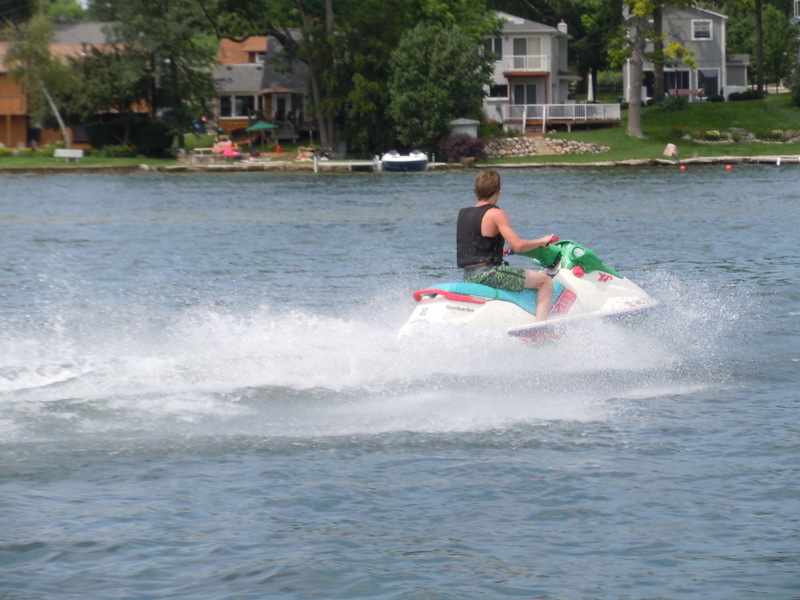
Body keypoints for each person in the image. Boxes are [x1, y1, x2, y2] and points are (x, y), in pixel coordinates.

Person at [457, 170, 555, 322]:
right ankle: (540, 327)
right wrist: (542, 241)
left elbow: (476, 244)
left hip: (469, 276)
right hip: (488, 274)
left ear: (476, 191)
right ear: (498, 191)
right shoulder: (495, 213)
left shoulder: (464, 214)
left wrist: (496, 252)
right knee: (545, 281)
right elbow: (518, 246)